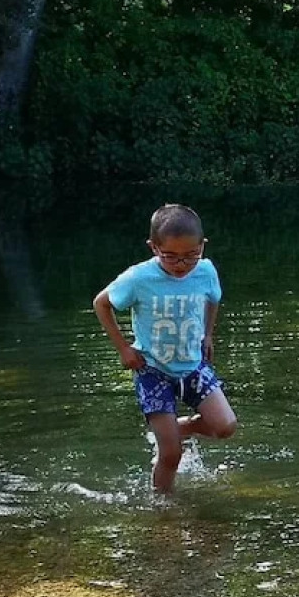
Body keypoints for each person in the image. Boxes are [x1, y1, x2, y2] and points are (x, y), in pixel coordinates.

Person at [93, 204, 237, 492]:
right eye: (171, 256)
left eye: (191, 256)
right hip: (152, 370)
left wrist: (208, 335)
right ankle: (163, 509)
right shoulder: (138, 278)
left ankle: (183, 427)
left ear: (202, 247)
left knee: (225, 426)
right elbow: (101, 303)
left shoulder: (206, 270)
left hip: (193, 365)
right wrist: (123, 348)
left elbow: (214, 298)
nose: (181, 264)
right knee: (171, 455)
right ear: (153, 247)